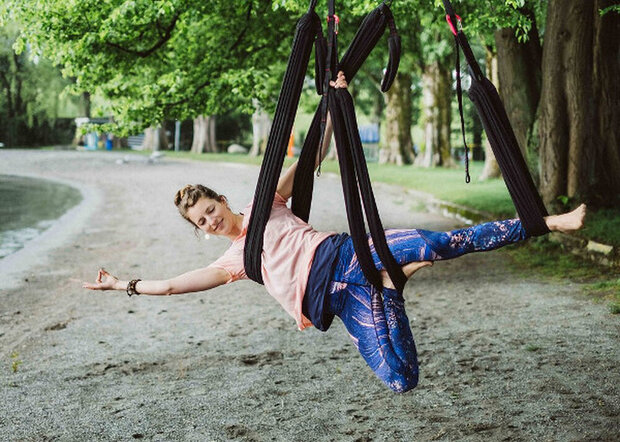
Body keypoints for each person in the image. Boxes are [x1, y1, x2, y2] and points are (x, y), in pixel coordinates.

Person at [83, 71, 586, 393]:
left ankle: (545, 222)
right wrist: (121, 285)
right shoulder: (233, 261)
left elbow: (310, 160)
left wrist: (333, 104)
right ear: (201, 231)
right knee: (399, 379)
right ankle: (394, 285)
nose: (210, 220)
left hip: (348, 256)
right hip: (337, 302)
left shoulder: (264, 206)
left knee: (439, 242)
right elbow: (172, 285)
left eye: (211, 208)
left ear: (223, 201)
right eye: (201, 221)